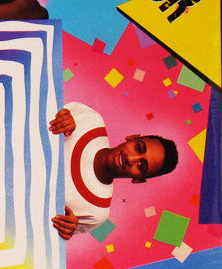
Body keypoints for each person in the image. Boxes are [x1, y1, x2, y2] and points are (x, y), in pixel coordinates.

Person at [49, 102, 178, 239]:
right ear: (132, 138)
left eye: (141, 166)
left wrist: (65, 229)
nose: (131, 159)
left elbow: (50, 231)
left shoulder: (96, 213)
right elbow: (43, 107)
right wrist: (61, 118)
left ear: (138, 179)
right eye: (138, 148)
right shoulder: (90, 120)